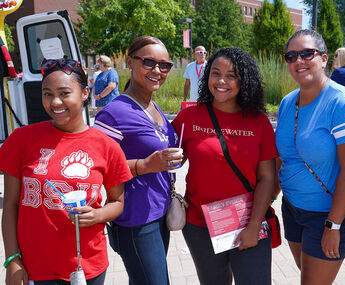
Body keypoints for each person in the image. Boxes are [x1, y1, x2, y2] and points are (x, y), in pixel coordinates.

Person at [1, 58, 132, 284]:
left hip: (87, 266)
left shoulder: (107, 146)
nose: (55, 102)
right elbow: (10, 205)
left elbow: (117, 202)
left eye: (64, 93)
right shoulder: (21, 140)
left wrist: (98, 215)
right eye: (47, 94)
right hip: (36, 267)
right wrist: (12, 259)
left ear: (84, 93)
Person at [172, 47, 276, 285]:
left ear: (244, 80)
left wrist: (253, 225)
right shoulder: (190, 118)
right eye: (215, 73)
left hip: (247, 223)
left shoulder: (258, 122)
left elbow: (267, 179)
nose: (221, 81)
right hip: (200, 226)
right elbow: (168, 160)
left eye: (231, 76)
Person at [276, 29, 345, 284]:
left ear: (325, 58)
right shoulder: (287, 102)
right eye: (291, 56)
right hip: (293, 208)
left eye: (307, 53)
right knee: (308, 276)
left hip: (327, 215)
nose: (298, 61)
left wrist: (333, 225)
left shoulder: (344, 104)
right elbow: (282, 158)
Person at [94, 36, 183, 285]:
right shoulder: (112, 113)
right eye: (149, 62)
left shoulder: (154, 107)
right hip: (135, 219)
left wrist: (174, 160)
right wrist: (144, 165)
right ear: (130, 63)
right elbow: (99, 170)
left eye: (164, 65)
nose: (157, 70)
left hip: (159, 212)